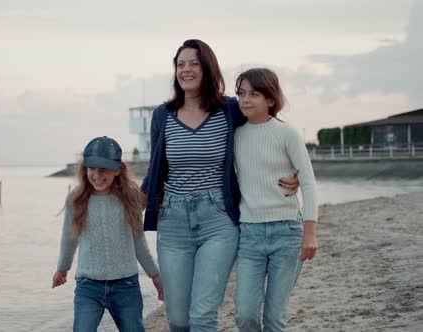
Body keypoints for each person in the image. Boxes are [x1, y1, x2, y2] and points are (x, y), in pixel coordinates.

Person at [140, 39, 299, 331]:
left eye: (194, 63)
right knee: (177, 320)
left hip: (218, 220)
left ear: (208, 68)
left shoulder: (230, 109)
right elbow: (154, 169)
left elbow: (269, 127)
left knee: (203, 316)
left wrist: (295, 171)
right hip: (172, 222)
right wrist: (124, 203)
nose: (186, 70)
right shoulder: (162, 116)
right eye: (180, 64)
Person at [233, 68, 318, 332]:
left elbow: (308, 182)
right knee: (245, 314)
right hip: (249, 234)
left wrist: (310, 233)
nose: (245, 99)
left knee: (274, 317)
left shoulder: (288, 134)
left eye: (254, 94)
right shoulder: (234, 136)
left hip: (287, 232)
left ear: (270, 99)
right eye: (241, 93)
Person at [52, 136, 163, 332]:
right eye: (91, 168)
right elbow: (69, 238)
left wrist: (155, 275)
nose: (96, 175)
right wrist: (62, 268)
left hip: (126, 285)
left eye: (103, 169)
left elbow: (139, 243)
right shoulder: (76, 200)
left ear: (118, 169)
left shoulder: (130, 198)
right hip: (88, 286)